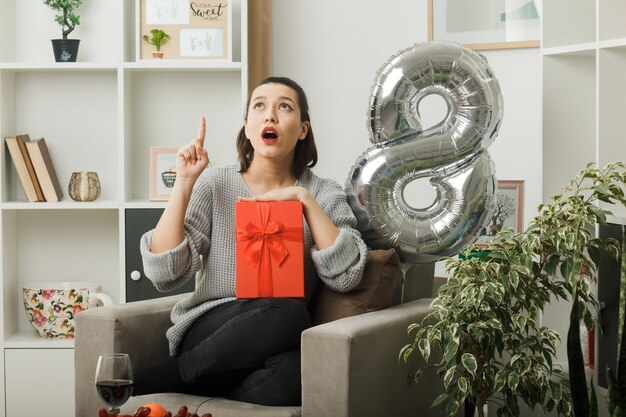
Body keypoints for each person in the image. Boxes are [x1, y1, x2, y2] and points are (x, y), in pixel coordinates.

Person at [135, 76, 368, 406]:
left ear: (303, 129)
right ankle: (173, 373)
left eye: (284, 107)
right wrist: (184, 184)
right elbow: (164, 273)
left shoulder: (322, 193)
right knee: (291, 313)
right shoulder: (216, 183)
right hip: (210, 329)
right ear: (247, 127)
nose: (270, 115)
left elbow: (346, 275)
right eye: (260, 106)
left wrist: (304, 200)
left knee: (298, 370)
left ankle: (201, 387)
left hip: (272, 340)